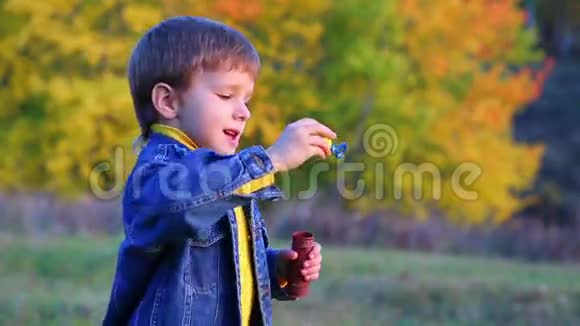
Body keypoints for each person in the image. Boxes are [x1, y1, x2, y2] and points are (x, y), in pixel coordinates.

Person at [102, 16, 336, 326]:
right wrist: (272, 160)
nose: (244, 112)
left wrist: (274, 268)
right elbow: (184, 205)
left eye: (246, 100)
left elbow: (223, 267)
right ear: (168, 101)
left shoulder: (223, 177)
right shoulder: (159, 172)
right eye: (227, 96)